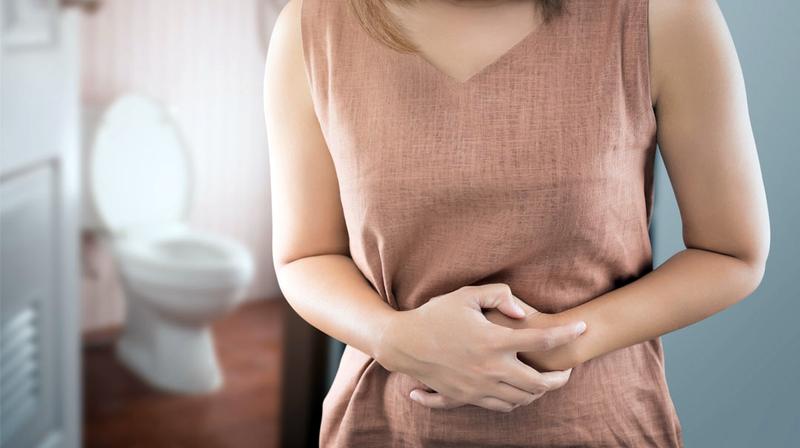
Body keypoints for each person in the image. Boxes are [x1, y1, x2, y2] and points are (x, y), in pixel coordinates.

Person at [263, 0, 770, 446]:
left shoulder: (665, 15)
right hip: (388, 426)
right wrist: (391, 337)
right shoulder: (310, 27)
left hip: (598, 424)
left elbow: (731, 253)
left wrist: (556, 344)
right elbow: (305, 256)